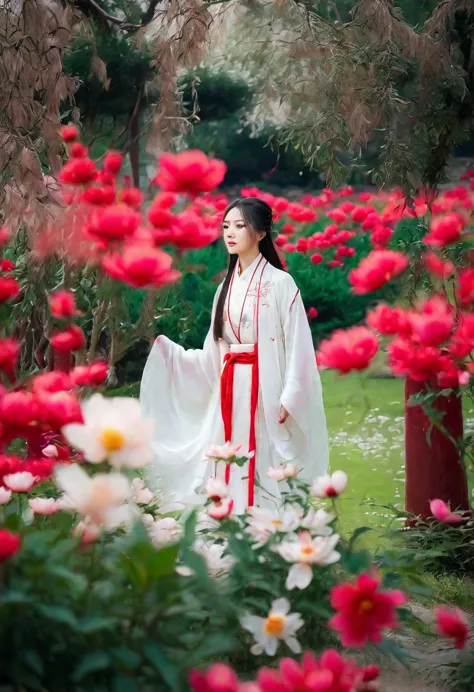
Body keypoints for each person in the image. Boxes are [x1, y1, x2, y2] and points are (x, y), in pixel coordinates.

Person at [140, 197, 329, 513]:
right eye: (226, 225)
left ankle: (264, 519)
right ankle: (228, 518)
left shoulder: (281, 283)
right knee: (228, 452)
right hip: (230, 386)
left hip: (264, 385)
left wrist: (291, 394)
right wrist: (174, 358)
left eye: (240, 226)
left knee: (264, 453)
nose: (230, 232)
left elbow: (298, 344)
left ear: (261, 232)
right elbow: (213, 350)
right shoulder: (225, 287)